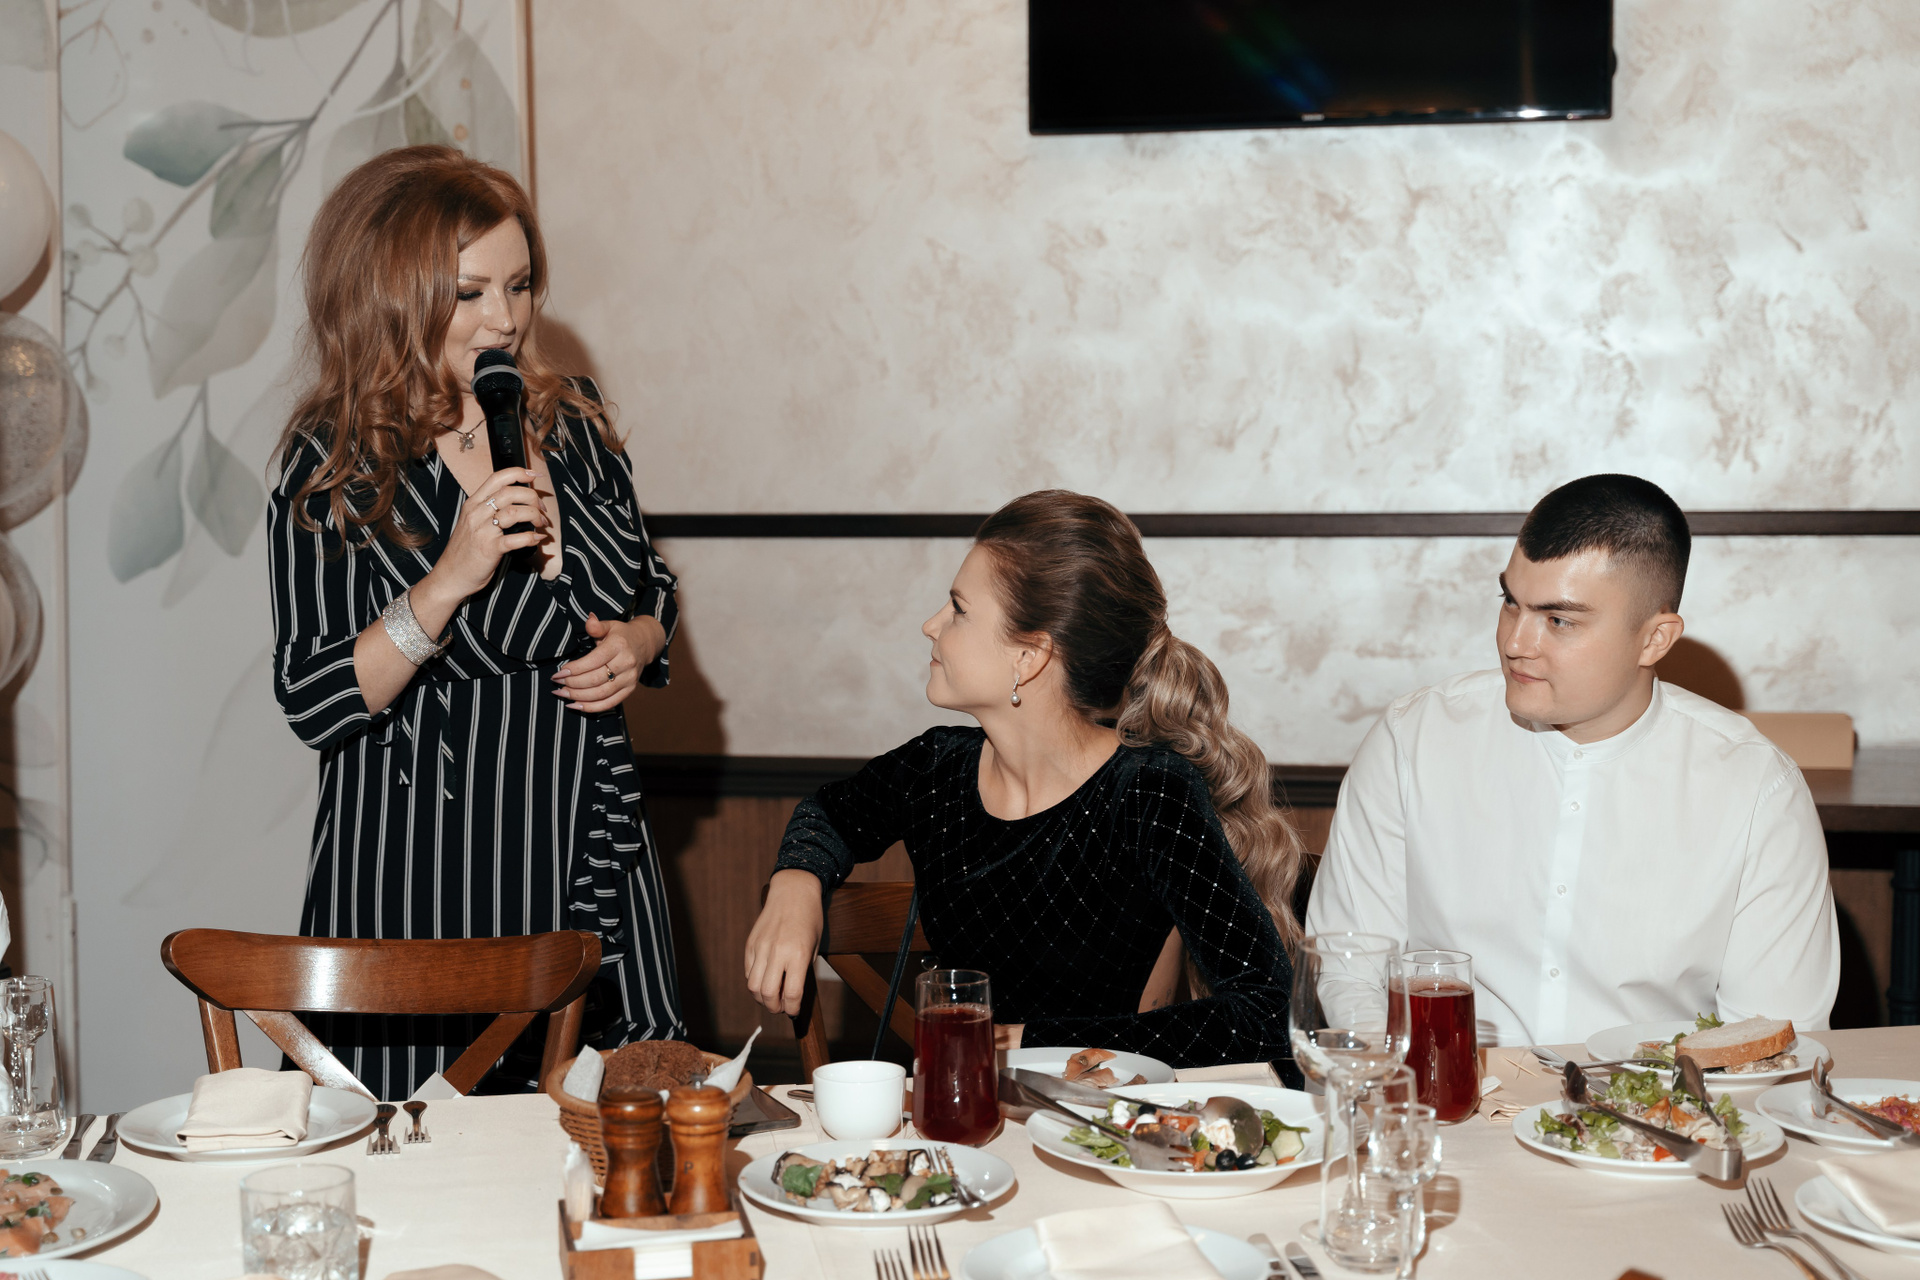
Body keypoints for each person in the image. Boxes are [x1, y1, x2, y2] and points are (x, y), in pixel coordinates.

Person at [268, 146, 684, 1099]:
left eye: (520, 284)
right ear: (392, 296)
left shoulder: (569, 419)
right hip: (424, 882)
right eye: (470, 293)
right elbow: (313, 698)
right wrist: (447, 582)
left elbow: (652, 583)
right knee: (421, 1164)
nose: (506, 318)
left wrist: (638, 642)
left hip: (588, 846)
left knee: (609, 1154)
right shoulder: (335, 462)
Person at [743, 490, 1304, 1067]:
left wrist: (1028, 1043)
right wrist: (795, 883)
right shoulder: (933, 769)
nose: (930, 625)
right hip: (964, 1112)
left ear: (1029, 656)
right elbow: (829, 815)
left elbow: (1264, 1014)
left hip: (1102, 1117)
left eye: (958, 609)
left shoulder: (1150, 792)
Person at [1306, 474, 1839, 1046]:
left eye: (1558, 620)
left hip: (1662, 1099)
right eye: (1511, 603)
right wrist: (1400, 1077)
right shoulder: (1412, 738)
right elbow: (1350, 967)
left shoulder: (1756, 787)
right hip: (1446, 1092)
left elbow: (1768, 1032)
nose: (1515, 643)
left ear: (1654, 639)